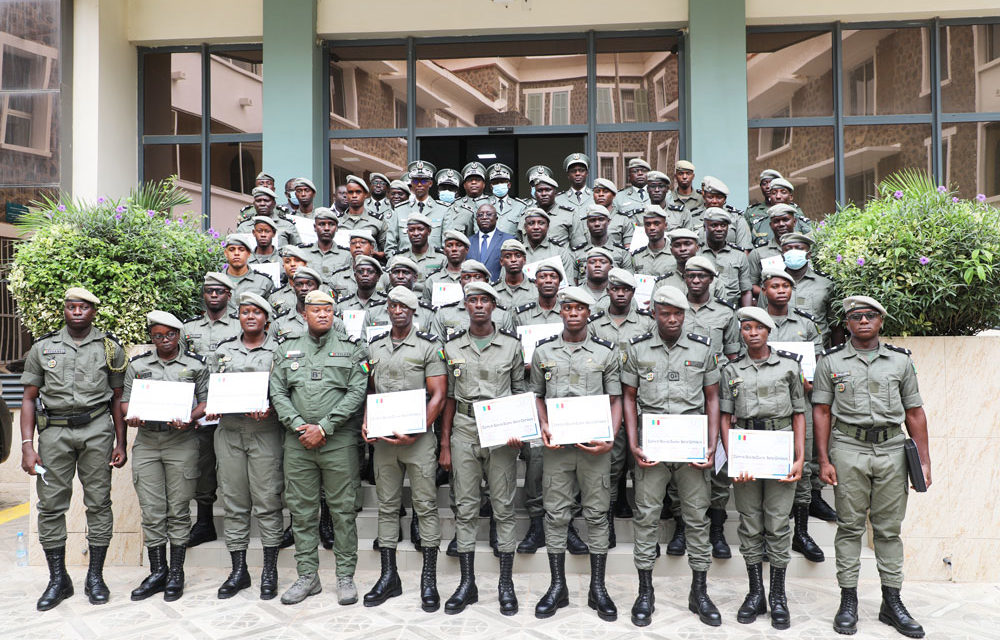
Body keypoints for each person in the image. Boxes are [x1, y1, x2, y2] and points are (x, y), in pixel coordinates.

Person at [814, 296, 931, 638]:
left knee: (888, 530)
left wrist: (923, 461)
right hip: (848, 448)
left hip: (892, 449)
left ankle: (891, 602)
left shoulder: (900, 362)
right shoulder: (830, 362)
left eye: (869, 316)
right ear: (847, 324)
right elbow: (821, 412)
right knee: (850, 527)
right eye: (855, 317)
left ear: (881, 320)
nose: (863, 321)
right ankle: (848, 600)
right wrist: (823, 459)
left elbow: (914, 412)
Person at [19, 287, 127, 610]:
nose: (77, 312)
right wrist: (27, 446)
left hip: (97, 430)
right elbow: (28, 398)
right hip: (54, 434)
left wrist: (121, 442)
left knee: (99, 503)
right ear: (64, 310)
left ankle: (95, 576)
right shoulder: (43, 347)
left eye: (83, 307)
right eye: (71, 306)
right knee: (51, 506)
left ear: (94, 311)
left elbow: (117, 398)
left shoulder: (110, 348)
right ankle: (58, 579)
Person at [622, 285, 721, 628]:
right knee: (647, 517)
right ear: (655, 314)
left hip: (692, 444)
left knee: (696, 517)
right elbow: (629, 399)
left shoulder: (702, 348)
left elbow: (712, 398)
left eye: (679, 313)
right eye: (666, 313)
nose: (673, 319)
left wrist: (712, 446)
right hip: (653, 445)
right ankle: (644, 591)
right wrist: (634, 445)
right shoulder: (637, 349)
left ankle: (699, 591)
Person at [270, 290, 368, 606]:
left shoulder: (352, 351)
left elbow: (356, 393)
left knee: (342, 511)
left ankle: (344, 577)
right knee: (302, 511)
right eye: (316, 310)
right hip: (298, 443)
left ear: (334, 313)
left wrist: (324, 427)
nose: (322, 314)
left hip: (338, 443)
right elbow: (278, 394)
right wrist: (300, 425)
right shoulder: (286, 350)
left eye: (327, 309)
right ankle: (307, 576)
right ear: (304, 314)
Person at [531, 286, 622, 622]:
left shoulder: (605, 353)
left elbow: (616, 400)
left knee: (597, 515)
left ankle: (598, 588)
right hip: (557, 449)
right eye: (567, 307)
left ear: (588, 313)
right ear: (560, 311)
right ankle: (558, 587)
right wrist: (543, 425)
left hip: (594, 448)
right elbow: (537, 396)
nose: (572, 313)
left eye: (579, 308)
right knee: (556, 515)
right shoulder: (543, 353)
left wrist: (611, 436)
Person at [438, 281, 525, 616]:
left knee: (503, 507)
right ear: (466, 305)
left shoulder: (510, 346)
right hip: (464, 428)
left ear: (493, 305)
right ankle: (467, 583)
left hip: (500, 432)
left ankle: (506, 583)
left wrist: (519, 428)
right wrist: (444, 443)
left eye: (483, 300)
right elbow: (447, 397)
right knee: (465, 506)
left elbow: (519, 391)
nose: (477, 305)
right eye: (471, 300)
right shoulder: (454, 345)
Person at [719, 306, 806, 630]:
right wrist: (734, 458)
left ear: (768, 331)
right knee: (750, 524)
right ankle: (755, 593)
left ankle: (778, 596)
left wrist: (799, 458)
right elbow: (726, 419)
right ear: (740, 332)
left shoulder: (788, 366)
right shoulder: (731, 370)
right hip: (747, 449)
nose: (752, 333)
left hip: (780, 445)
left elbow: (799, 413)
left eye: (758, 328)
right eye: (746, 328)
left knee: (778, 523)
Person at [362, 286, 447, 612]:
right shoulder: (375, 347)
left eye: (404, 306)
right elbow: (371, 391)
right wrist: (368, 421)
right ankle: (389, 576)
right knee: (387, 507)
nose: (398, 310)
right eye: (393, 305)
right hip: (384, 442)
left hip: (418, 441)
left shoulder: (428, 347)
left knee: (425, 506)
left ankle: (429, 579)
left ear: (413, 312)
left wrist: (419, 429)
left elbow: (438, 395)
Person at [123, 311, 209, 603]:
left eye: (170, 335)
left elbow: (207, 402)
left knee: (179, 509)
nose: (164, 341)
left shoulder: (195, 365)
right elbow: (124, 403)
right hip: (147, 442)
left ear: (179, 335)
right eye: (158, 336)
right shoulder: (138, 365)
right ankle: (158, 570)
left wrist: (189, 416)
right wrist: (130, 416)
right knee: (152, 510)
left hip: (181, 442)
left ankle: (177, 573)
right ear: (152, 337)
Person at [207, 293, 284, 600]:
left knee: (267, 501)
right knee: (234, 502)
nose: (250, 317)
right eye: (244, 312)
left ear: (266, 318)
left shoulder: (279, 350)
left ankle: (269, 569)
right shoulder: (225, 350)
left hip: (264, 432)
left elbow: (285, 391)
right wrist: (212, 406)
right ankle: (239, 570)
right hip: (229, 432)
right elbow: (213, 385)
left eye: (256, 312)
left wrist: (272, 408)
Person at [759, 266, 825, 563]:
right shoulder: (753, 323)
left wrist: (812, 381)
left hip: (800, 403)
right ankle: (764, 533)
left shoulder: (806, 325)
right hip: (761, 404)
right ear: (764, 290)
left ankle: (800, 532)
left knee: (804, 463)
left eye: (786, 286)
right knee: (761, 464)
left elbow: (819, 364)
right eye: (775, 286)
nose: (782, 290)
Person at [586, 268, 656, 540]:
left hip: (640, 400)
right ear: (608, 291)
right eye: (616, 289)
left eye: (626, 289)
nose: (620, 293)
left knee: (639, 459)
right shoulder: (594, 325)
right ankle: (610, 517)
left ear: (633, 293)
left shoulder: (646, 324)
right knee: (611, 462)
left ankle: (642, 520)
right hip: (606, 401)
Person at [182, 273, 241, 548]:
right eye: (209, 291)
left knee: (236, 468)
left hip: (235, 407)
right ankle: (205, 522)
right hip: (201, 408)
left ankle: (240, 522)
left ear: (229, 295)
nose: (213, 295)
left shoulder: (242, 324)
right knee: (203, 464)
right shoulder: (188, 328)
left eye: (219, 291)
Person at [699, 207, 753, 308]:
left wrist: (746, 316)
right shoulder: (696, 253)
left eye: (723, 225)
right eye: (714, 225)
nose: (719, 229)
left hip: (731, 309)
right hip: (703, 310)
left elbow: (746, 291)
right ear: (705, 227)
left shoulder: (739, 255)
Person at [689, 176, 753, 251]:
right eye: (710, 197)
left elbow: (744, 250)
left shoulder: (737, 218)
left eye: (719, 198)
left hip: (730, 261)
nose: (714, 201)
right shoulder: (692, 216)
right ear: (704, 196)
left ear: (725, 199)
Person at [748, 204, 799, 298]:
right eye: (776, 221)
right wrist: (771, 294)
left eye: (785, 220)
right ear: (771, 225)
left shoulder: (804, 250)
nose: (781, 224)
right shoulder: (758, 253)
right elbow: (751, 285)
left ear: (794, 222)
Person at [570, 205, 632, 280]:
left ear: (609, 222)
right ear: (587, 223)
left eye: (601, 219)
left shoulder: (622, 253)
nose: (597, 224)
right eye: (592, 220)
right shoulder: (576, 254)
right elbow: (573, 284)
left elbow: (628, 282)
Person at [749, 178, 812, 246]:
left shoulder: (802, 224)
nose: (778, 196)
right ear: (770, 197)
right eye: (774, 193)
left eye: (783, 192)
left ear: (790, 197)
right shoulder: (759, 225)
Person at [338, 175, 389, 257]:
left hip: (367, 267)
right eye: (350, 192)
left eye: (358, 192)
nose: (354, 195)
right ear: (346, 195)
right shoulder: (337, 221)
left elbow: (387, 251)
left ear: (365, 194)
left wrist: (375, 253)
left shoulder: (377, 221)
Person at [222, 234, 274, 311]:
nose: (236, 253)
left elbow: (271, 314)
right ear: (226, 253)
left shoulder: (264, 282)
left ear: (249, 253)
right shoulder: (215, 282)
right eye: (232, 249)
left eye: (241, 249)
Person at [236, 186, 300, 248]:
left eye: (266, 201)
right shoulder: (244, 227)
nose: (262, 204)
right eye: (258, 201)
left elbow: (298, 250)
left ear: (274, 204)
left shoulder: (287, 226)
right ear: (254, 204)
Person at [300, 208, 353, 282]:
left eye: (331, 224)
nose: (327, 228)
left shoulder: (347, 255)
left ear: (337, 228)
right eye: (322, 224)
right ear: (315, 227)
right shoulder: (302, 253)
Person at [521, 207, 575, 278]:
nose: (536, 227)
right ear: (525, 227)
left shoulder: (560, 252)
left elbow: (569, 285)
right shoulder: (516, 253)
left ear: (548, 227)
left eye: (541, 223)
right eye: (531, 223)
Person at [468, 203, 515, 281]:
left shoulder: (508, 240)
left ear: (496, 218)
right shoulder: (468, 242)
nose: (484, 217)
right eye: (480, 215)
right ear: (476, 220)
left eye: (489, 214)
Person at [395, 211, 446, 280]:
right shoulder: (398, 258)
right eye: (411, 230)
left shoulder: (442, 259)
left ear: (429, 231)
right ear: (407, 232)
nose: (416, 233)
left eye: (420, 229)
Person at [442, 162, 488, 238]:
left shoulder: (491, 204)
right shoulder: (455, 205)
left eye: (477, 180)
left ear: (484, 184)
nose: (473, 182)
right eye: (470, 180)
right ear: (464, 185)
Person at [631, 206, 675, 275]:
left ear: (665, 225)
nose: (652, 228)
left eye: (656, 224)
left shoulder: (676, 253)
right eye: (648, 224)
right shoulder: (636, 256)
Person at [492, 239, 535, 309]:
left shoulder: (536, 288)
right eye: (508, 257)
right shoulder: (492, 290)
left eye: (518, 256)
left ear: (524, 260)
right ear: (501, 262)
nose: (513, 260)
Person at [488, 163, 527, 236]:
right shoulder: (483, 204)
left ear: (509, 185)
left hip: (512, 246)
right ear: (491, 186)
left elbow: (523, 234)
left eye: (502, 182)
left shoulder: (520, 206)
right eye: (495, 183)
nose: (499, 184)